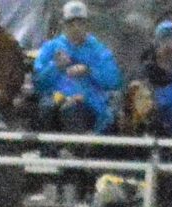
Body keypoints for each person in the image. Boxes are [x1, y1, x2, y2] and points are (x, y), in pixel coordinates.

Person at [32, 1, 123, 133]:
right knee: (46, 109)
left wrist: (88, 70)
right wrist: (55, 66)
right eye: (71, 23)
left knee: (71, 111)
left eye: (80, 23)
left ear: (87, 24)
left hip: (88, 104)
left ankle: (77, 145)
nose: (76, 28)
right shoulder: (51, 47)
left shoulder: (98, 50)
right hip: (55, 100)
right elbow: (38, 83)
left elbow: (113, 81)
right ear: (63, 24)